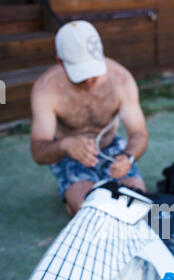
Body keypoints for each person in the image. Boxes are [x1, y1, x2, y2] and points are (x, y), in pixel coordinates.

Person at [30, 20, 148, 217]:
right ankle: (72, 201)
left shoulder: (120, 79)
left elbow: (139, 133)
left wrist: (128, 157)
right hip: (68, 155)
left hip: (111, 147)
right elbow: (38, 152)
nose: (88, 80)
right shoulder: (46, 89)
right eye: (80, 73)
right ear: (60, 61)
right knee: (90, 212)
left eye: (92, 72)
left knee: (138, 208)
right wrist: (65, 145)